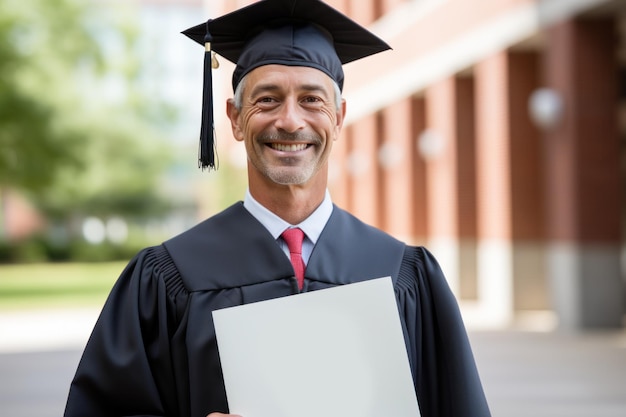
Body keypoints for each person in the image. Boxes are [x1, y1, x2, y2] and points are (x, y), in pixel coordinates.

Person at [64, 1, 491, 416]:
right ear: (234, 118)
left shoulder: (404, 275)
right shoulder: (168, 277)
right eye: (267, 99)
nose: (289, 120)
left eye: (312, 99)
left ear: (340, 118)